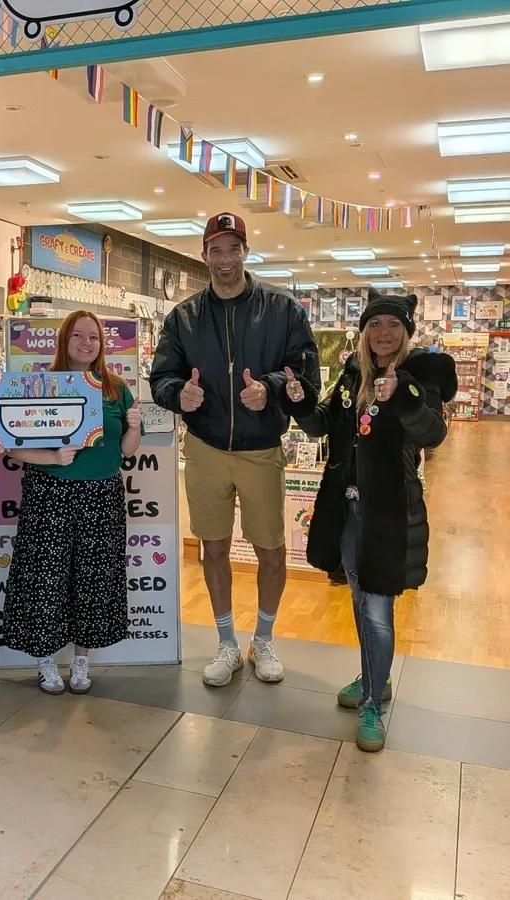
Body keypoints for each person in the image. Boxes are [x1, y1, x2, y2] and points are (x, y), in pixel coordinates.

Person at [150, 212, 320, 687]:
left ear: (246, 251)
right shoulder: (183, 317)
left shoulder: (283, 310)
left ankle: (262, 639)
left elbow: (306, 375)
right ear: (203, 254)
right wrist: (178, 394)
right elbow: (161, 377)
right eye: (216, 250)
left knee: (271, 549)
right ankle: (226, 643)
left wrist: (270, 388)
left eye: (233, 249)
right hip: (205, 448)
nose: (225, 259)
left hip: (261, 448)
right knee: (213, 547)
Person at [299, 290, 457, 752]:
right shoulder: (353, 373)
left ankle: (372, 703)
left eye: (392, 325)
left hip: (389, 512)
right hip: (346, 509)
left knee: (377, 609)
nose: (383, 333)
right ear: (364, 331)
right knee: (358, 598)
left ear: (406, 332)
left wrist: (403, 398)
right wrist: (298, 400)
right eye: (375, 324)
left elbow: (434, 433)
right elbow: (322, 422)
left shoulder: (418, 376)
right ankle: (377, 677)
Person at [2, 311, 142, 694]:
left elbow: (128, 450)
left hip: (102, 494)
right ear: (64, 340)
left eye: (93, 337)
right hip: (50, 493)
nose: (86, 343)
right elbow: (12, 445)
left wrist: (133, 426)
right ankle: (45, 659)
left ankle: (81, 659)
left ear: (102, 344)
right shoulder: (41, 385)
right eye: (78, 336)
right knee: (45, 578)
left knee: (94, 578)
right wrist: (52, 457)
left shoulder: (116, 388)